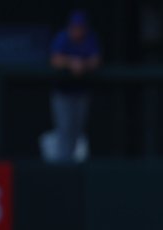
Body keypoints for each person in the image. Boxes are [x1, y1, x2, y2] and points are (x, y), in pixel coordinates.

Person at [48, 9, 101, 164]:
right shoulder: (62, 38)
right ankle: (62, 165)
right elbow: (55, 60)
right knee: (64, 129)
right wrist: (72, 63)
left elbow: (96, 60)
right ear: (70, 27)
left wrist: (82, 64)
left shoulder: (90, 38)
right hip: (62, 92)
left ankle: (71, 162)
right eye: (75, 27)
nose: (78, 31)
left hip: (81, 92)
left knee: (77, 131)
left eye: (81, 28)